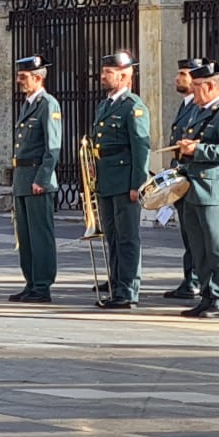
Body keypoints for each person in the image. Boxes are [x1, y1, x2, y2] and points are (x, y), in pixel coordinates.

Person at [165, 59, 219, 318]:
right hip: (192, 188)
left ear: (210, 86)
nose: (192, 89)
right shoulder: (197, 110)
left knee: (216, 246)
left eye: (196, 86)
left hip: (213, 190)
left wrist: (198, 149)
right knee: (199, 247)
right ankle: (207, 295)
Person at [90, 51, 150, 310]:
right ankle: (116, 283)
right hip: (106, 179)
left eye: (108, 72)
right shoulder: (105, 105)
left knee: (127, 237)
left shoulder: (133, 106)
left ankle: (128, 290)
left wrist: (138, 183)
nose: (103, 76)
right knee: (112, 236)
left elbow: (141, 148)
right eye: (104, 71)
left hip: (125, 181)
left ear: (125, 75)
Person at [10, 56, 62, 303]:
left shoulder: (47, 104)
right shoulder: (28, 103)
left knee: (40, 236)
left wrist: (42, 178)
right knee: (26, 236)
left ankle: (42, 285)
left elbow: (52, 148)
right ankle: (31, 282)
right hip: (23, 179)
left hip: (37, 180)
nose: (19, 80)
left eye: (24, 76)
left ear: (38, 77)